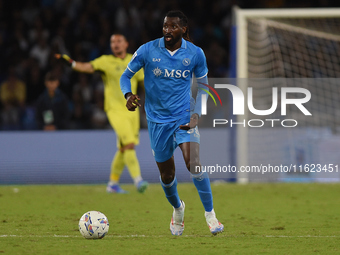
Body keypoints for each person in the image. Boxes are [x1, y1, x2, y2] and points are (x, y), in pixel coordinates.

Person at [120, 10, 224, 235]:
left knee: (193, 163)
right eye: (165, 26)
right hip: (157, 121)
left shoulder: (195, 54)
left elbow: (204, 87)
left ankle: (211, 215)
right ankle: (178, 209)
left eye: (173, 26)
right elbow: (125, 76)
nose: (168, 30)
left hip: (184, 116)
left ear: (183, 29)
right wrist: (128, 95)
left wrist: (197, 113)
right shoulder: (148, 50)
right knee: (167, 176)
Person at [55, 34, 148, 194]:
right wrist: (71, 63)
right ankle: (138, 180)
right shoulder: (105, 61)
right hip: (115, 110)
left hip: (132, 111)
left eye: (119, 41)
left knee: (123, 148)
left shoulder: (135, 61)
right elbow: (86, 67)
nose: (115, 44)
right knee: (129, 145)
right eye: (112, 42)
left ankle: (112, 184)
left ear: (126, 44)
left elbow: (145, 83)